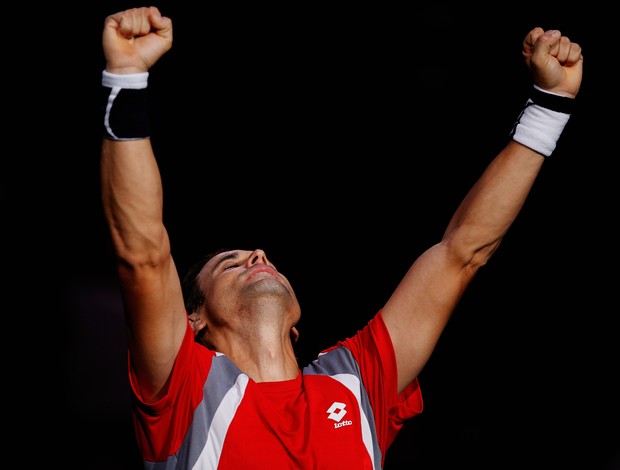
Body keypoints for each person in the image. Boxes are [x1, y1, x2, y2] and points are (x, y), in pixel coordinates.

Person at [100, 6, 583, 469]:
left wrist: (550, 106)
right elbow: (143, 253)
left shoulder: (355, 380)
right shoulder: (185, 390)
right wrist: (125, 76)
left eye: (256, 254)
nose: (258, 254)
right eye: (230, 261)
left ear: (297, 322)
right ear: (195, 322)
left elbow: (462, 252)